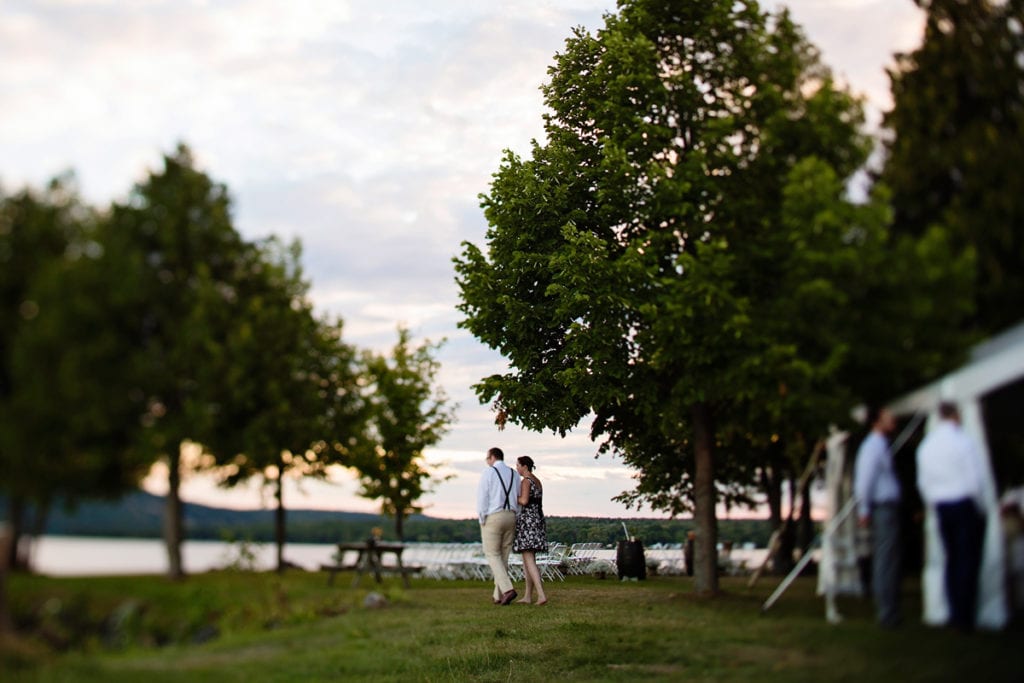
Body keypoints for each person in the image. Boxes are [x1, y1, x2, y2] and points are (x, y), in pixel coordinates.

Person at [916, 402, 987, 631]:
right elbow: (974, 478)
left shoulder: (927, 445)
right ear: (955, 415)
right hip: (962, 502)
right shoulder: (963, 442)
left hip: (940, 505)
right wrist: (979, 505)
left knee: (951, 557)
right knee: (966, 558)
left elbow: (923, 482)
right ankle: (965, 615)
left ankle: (954, 610)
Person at [853, 406, 902, 627]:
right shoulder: (871, 447)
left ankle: (891, 609)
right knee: (885, 559)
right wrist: (865, 509)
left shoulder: (881, 445)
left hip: (889, 506)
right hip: (882, 507)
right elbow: (865, 480)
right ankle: (886, 613)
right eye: (887, 416)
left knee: (889, 558)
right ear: (876, 421)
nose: (892, 419)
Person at [477, 447, 520, 605]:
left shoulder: (488, 472)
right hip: (511, 515)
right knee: (504, 555)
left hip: (493, 516)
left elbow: (483, 497)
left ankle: (508, 590)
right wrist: (516, 515)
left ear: (492, 457)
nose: (487, 462)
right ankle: (498, 595)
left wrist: (482, 518)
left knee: (492, 554)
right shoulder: (514, 474)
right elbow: (517, 495)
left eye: (487, 458)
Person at [513, 455, 548, 605]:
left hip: (528, 522)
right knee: (528, 560)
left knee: (529, 559)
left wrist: (512, 497)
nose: (517, 468)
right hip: (537, 520)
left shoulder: (526, 481)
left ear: (524, 466)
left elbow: (524, 501)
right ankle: (527, 596)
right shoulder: (537, 481)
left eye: (518, 465)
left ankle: (541, 595)